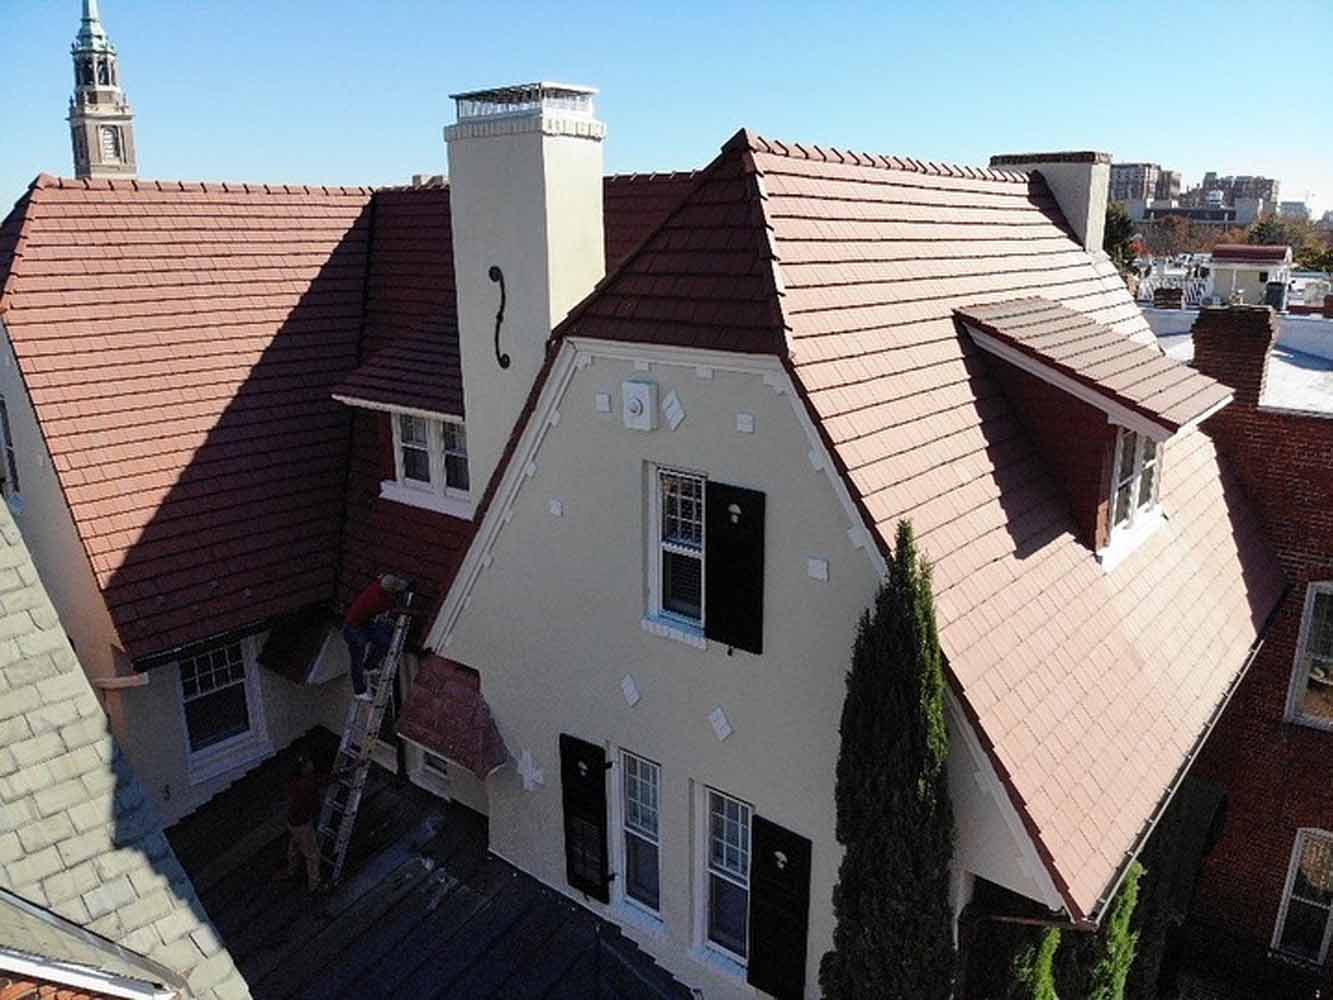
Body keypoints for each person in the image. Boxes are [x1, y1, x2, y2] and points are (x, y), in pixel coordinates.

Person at [343, 573, 409, 701]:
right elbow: (396, 609)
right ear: (389, 590)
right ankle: (359, 691)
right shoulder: (378, 601)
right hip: (352, 629)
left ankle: (370, 666)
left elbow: (381, 576)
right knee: (357, 660)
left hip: (364, 623)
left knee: (385, 642)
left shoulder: (378, 583)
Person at [281, 751, 338, 892]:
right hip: (302, 823)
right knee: (313, 854)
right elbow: (326, 779)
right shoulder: (307, 783)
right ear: (304, 769)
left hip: (292, 820)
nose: (312, 765)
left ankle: (291, 870)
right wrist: (352, 768)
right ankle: (315, 884)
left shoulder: (294, 781)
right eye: (309, 764)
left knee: (294, 844)